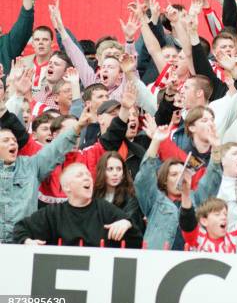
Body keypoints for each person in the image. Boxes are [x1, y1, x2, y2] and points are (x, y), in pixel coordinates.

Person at [0, 105, 92, 243]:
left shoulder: (31, 165)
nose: (13, 143)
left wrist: (78, 127)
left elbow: (55, 149)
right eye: (6, 140)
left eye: (14, 140)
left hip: (23, 242)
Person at [13, 163, 143, 247]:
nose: (87, 178)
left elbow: (137, 239)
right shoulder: (54, 213)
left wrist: (127, 224)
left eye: (88, 174)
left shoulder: (104, 208)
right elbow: (20, 228)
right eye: (80, 175)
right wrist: (27, 242)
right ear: (66, 187)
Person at [180, 168, 237, 253]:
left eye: (225, 214)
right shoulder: (198, 238)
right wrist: (185, 194)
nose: (223, 217)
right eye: (217, 214)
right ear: (204, 221)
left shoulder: (235, 238)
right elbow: (187, 221)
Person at [93, 151, 145, 234]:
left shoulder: (131, 195)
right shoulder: (93, 194)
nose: (115, 173)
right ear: (102, 171)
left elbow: (131, 220)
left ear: (123, 173)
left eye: (119, 169)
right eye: (110, 169)